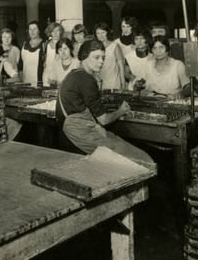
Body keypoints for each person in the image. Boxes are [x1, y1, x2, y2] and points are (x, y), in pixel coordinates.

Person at [56, 39, 154, 168]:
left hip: (73, 128)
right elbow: (104, 120)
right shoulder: (86, 79)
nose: (101, 62)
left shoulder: (75, 74)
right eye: (96, 57)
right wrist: (121, 110)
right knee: (142, 159)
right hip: (80, 131)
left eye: (103, 58)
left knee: (117, 143)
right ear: (84, 56)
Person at [94, 21, 125, 90]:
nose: (101, 35)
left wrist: (123, 81)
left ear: (107, 32)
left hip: (114, 83)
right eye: (98, 33)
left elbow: (121, 66)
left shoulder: (115, 46)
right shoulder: (94, 48)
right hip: (100, 83)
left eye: (103, 32)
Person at [20, 21, 46, 87]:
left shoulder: (44, 44)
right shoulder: (24, 44)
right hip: (26, 81)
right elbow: (20, 63)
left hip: (40, 82)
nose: (32, 31)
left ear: (39, 30)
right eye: (30, 29)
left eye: (35, 29)